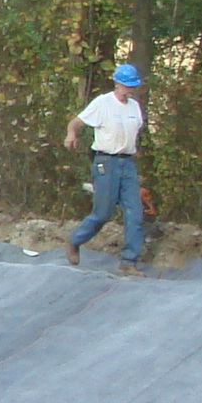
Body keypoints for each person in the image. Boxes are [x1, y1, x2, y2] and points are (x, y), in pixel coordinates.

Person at [64, 63, 148, 275]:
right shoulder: (103, 103)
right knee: (103, 213)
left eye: (132, 85)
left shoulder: (134, 107)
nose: (129, 89)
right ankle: (75, 240)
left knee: (135, 213)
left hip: (127, 163)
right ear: (117, 83)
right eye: (126, 85)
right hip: (106, 161)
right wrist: (71, 134)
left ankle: (129, 261)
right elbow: (76, 122)